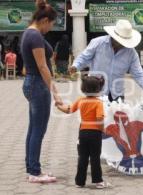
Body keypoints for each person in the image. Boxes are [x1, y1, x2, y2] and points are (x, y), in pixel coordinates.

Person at [20, 0, 62, 183]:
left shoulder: (29, 33)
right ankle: (35, 173)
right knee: (38, 130)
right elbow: (42, 67)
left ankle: (31, 168)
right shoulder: (35, 36)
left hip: (32, 83)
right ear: (44, 20)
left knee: (33, 129)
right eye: (51, 24)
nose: (50, 28)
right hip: (38, 84)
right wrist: (55, 90)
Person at [69, 19, 143, 102]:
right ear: (113, 37)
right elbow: (84, 57)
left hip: (117, 94)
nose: (122, 44)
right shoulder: (97, 43)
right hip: (97, 91)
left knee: (117, 114)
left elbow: (137, 72)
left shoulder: (131, 53)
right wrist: (75, 66)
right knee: (97, 114)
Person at [56, 76, 112, 188]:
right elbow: (99, 119)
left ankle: (80, 182)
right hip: (95, 133)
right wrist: (103, 130)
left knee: (82, 157)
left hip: (83, 132)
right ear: (98, 89)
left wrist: (58, 106)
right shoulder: (98, 103)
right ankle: (98, 181)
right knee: (95, 157)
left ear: (83, 89)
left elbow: (69, 110)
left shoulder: (81, 100)